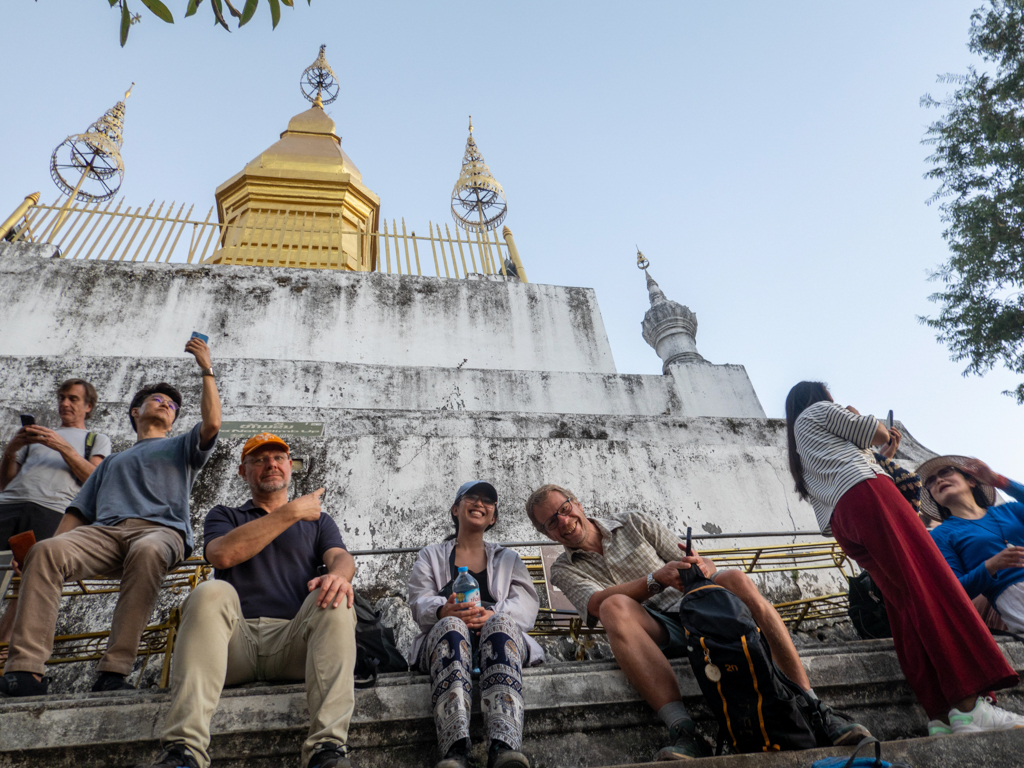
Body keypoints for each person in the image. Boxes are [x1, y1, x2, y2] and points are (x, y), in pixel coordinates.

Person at [524, 483, 867, 761]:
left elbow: (695, 561)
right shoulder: (563, 568)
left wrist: (701, 567)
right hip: (655, 629)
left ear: (578, 504)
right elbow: (596, 604)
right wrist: (654, 579)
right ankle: (684, 731)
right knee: (613, 606)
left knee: (735, 579)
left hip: (696, 606)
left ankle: (814, 706)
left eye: (564, 510)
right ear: (548, 534)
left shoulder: (634, 522)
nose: (564, 522)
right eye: (551, 523)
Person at [786, 381, 1024, 736]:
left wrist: (881, 455)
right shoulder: (819, 410)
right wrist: (856, 417)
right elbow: (876, 429)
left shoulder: (802, 449)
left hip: (844, 518)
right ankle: (971, 706)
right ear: (821, 398)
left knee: (906, 607)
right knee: (932, 588)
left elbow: (856, 462)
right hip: (869, 495)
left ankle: (942, 715)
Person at [0, 336, 220, 697]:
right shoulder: (113, 461)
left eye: (172, 405)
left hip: (160, 531)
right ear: (135, 412)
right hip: (105, 534)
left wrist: (205, 368)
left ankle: (113, 672)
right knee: (46, 552)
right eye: (157, 399)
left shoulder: (180, 446)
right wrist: (46, 547)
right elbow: (78, 511)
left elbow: (211, 424)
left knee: (148, 550)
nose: (166, 404)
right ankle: (26, 672)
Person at [139, 432, 357, 768]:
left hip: (293, 644)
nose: (270, 464)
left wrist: (337, 577)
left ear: (290, 467)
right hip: (232, 649)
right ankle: (184, 752)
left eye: (278, 458)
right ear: (243, 471)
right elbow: (223, 555)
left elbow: (341, 557)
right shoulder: (225, 516)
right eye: (259, 459)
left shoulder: (318, 522)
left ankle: (327, 750)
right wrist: (292, 511)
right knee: (211, 591)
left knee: (336, 595)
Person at [408, 481, 543, 768]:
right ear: (456, 509)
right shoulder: (430, 556)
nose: (480, 503)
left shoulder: (508, 559)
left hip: (497, 641)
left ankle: (504, 747)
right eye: (472, 497)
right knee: (452, 627)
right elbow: (418, 603)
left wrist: (491, 614)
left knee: (500, 624)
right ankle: (455, 751)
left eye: (488, 501)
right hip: (447, 643)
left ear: (493, 517)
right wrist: (443, 610)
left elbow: (528, 607)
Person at [0, 379, 113, 653]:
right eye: (62, 397)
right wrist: (13, 448)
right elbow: (4, 482)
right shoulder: (37, 436)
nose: (65, 403)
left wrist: (62, 446)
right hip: (8, 505)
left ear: (88, 406)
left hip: (51, 512)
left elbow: (93, 479)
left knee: (29, 580)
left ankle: (4, 649)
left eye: (73, 399)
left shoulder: (95, 440)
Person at [923, 455, 1024, 633]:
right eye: (931, 481)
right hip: (1013, 598)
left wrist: (999, 481)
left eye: (945, 472)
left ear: (971, 481)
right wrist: (990, 566)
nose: (939, 480)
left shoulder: (1010, 509)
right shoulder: (941, 535)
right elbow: (953, 590)